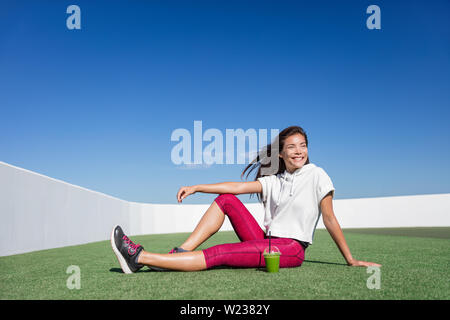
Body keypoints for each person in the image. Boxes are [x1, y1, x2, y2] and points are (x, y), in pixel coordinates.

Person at [111, 125, 381, 273]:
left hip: (290, 249)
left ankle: (139, 257)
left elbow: (330, 218)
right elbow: (236, 187)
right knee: (227, 199)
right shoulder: (275, 180)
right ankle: (180, 254)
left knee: (222, 252)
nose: (299, 151)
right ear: (280, 154)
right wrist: (196, 187)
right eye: (292, 147)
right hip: (266, 239)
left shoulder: (317, 174)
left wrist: (350, 259)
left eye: (303, 146)